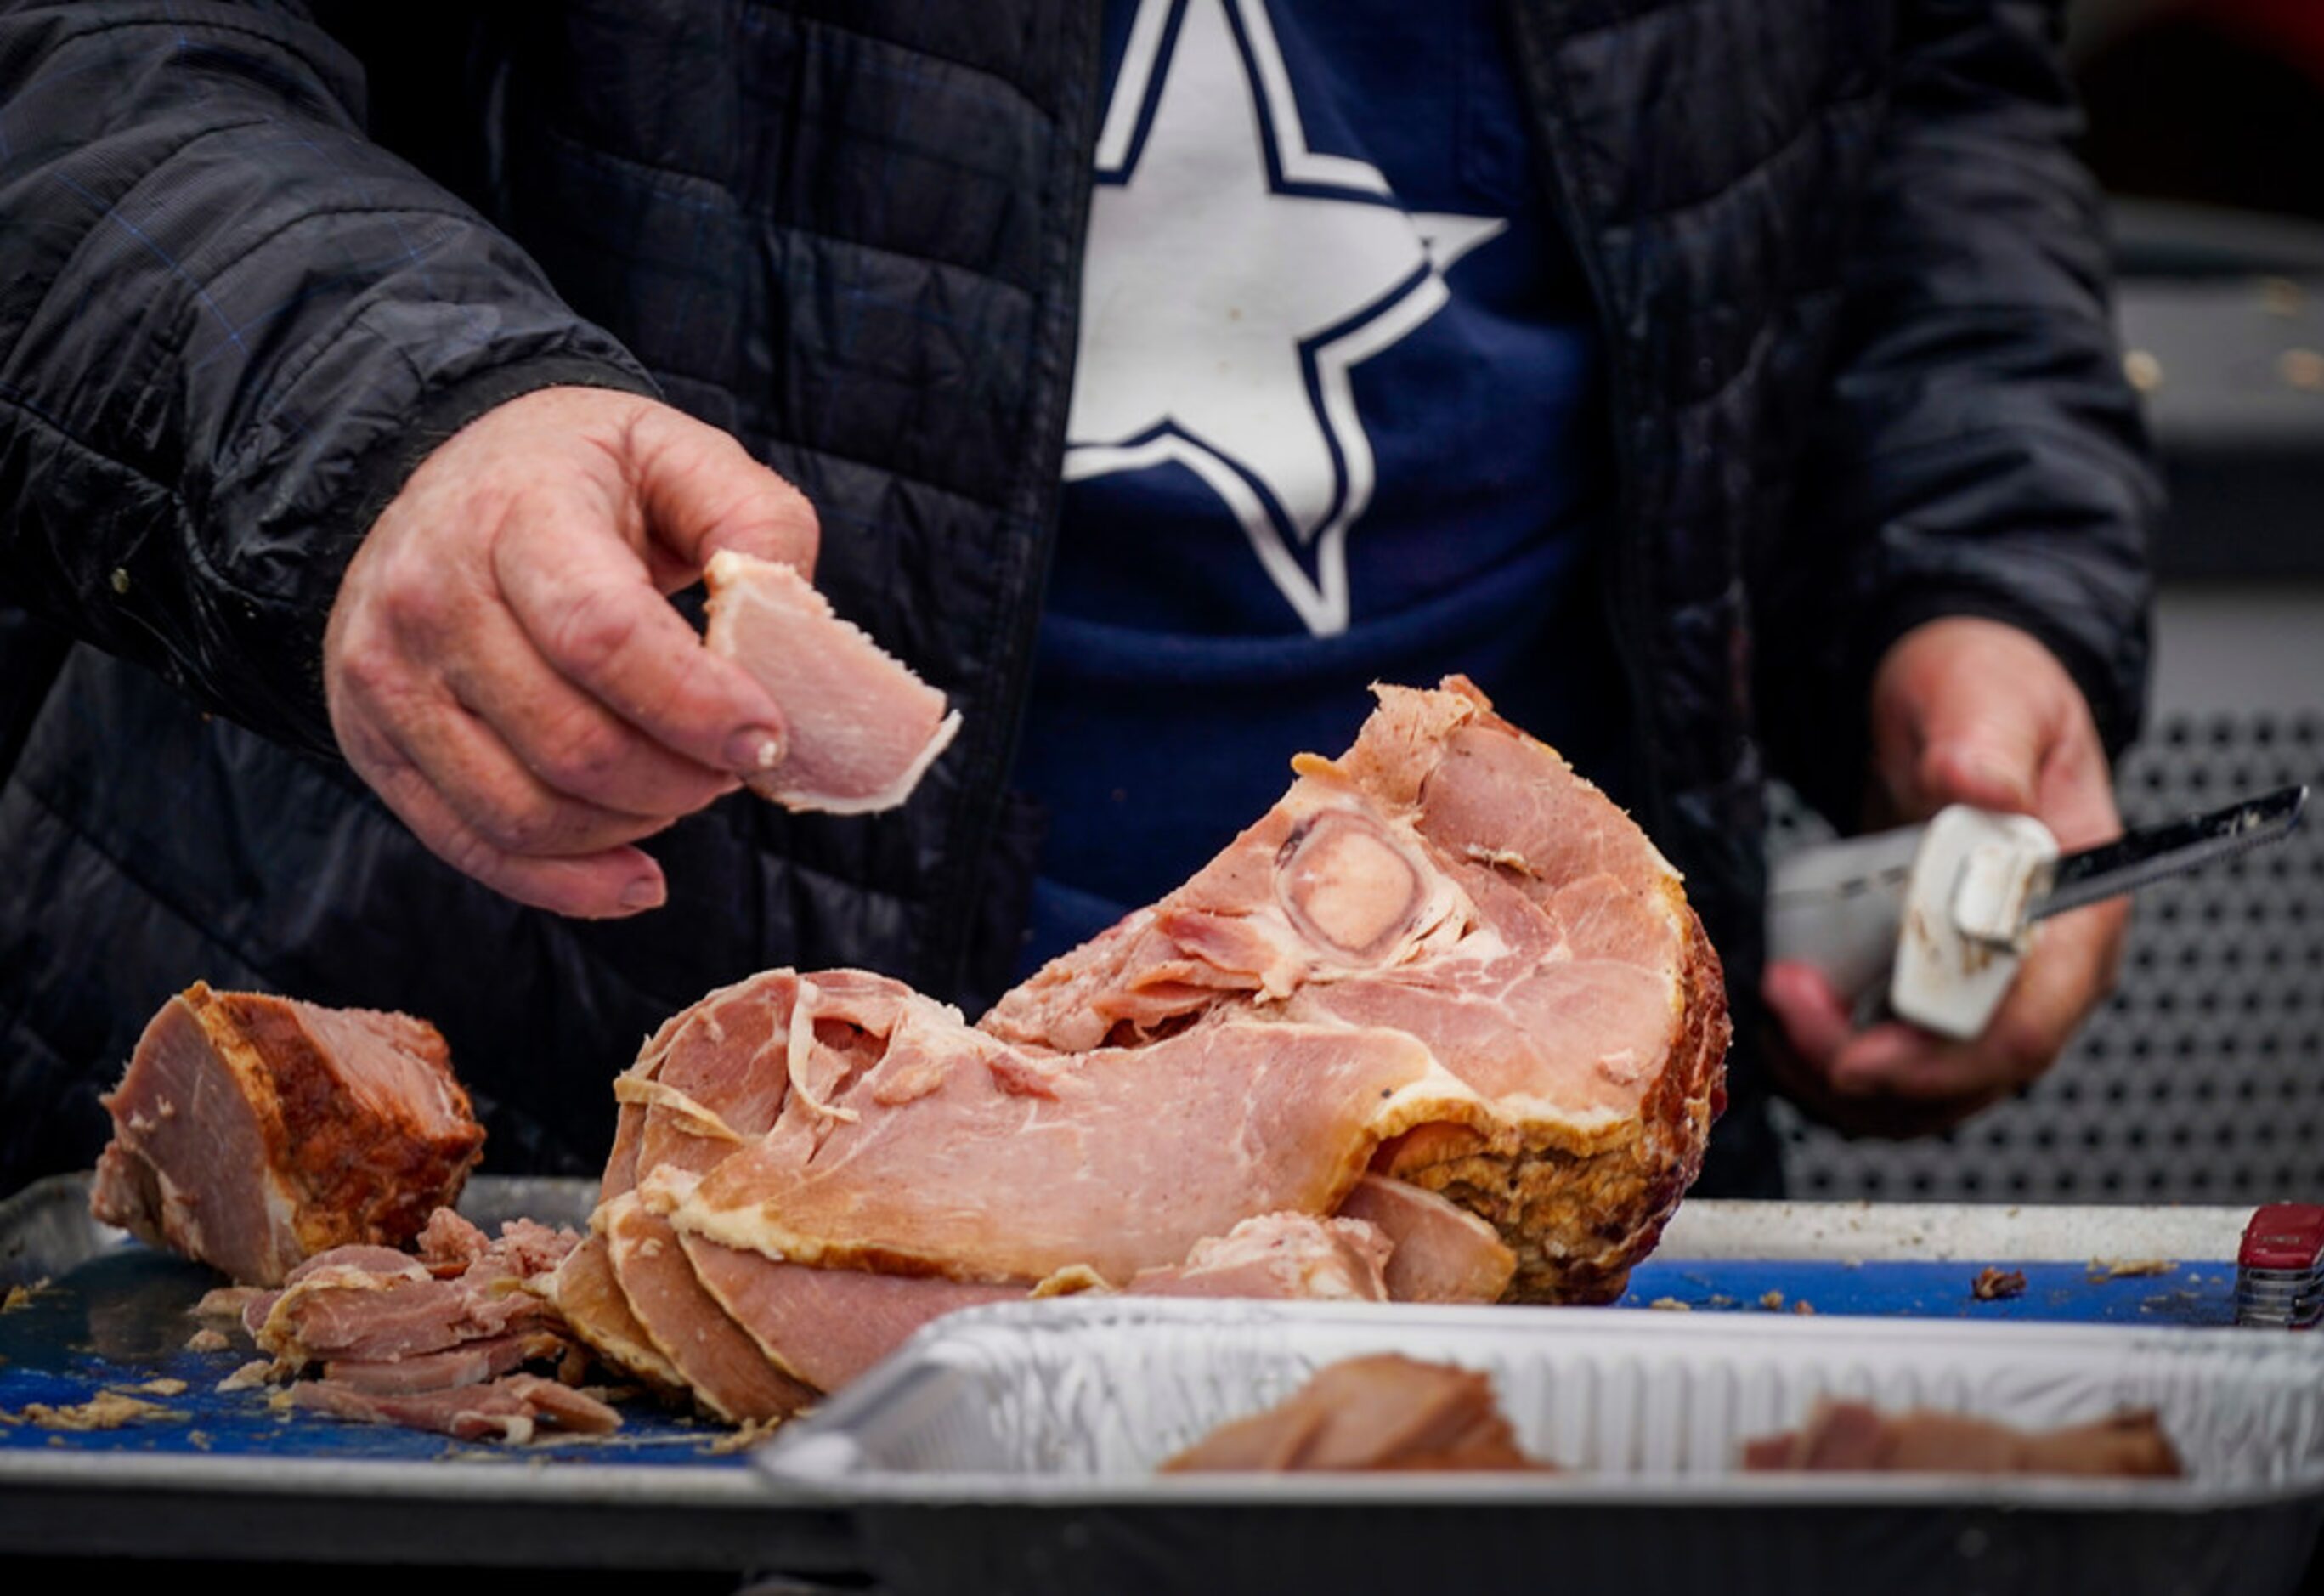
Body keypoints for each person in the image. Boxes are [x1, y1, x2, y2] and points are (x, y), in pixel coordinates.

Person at [0, 1, 2152, 1197]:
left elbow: (1932, 91)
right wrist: (384, 424)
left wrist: (1963, 582)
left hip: (1513, 1181)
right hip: (564, 1151)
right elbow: (90, 59)